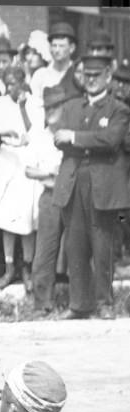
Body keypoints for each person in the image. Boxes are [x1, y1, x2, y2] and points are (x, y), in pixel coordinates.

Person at [52, 56, 130, 320]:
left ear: (108, 76)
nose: (91, 80)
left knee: (102, 245)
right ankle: (79, 304)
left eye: (97, 75)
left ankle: (104, 302)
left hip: (103, 185)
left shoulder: (118, 109)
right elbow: (58, 138)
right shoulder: (72, 107)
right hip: (73, 181)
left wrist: (75, 137)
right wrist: (85, 140)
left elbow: (110, 140)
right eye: (87, 75)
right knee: (75, 245)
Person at [0, 66, 43, 291]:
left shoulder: (34, 103)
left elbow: (34, 132)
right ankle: (9, 268)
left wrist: (22, 106)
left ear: (22, 82)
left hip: (27, 161)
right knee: (6, 218)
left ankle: (27, 267)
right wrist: (1, 134)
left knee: (27, 219)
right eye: (7, 84)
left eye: (13, 84)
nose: (10, 88)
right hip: (7, 159)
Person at [26, 85, 69, 313]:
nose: (51, 111)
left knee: (78, 246)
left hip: (72, 195)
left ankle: (82, 300)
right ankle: (43, 303)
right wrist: (50, 172)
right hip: (50, 195)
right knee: (45, 249)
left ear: (64, 108)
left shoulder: (71, 134)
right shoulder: (39, 137)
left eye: (55, 107)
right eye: (47, 108)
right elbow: (29, 170)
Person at [30, 23, 80, 107]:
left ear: (72, 48)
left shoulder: (78, 73)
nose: (57, 50)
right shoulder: (40, 75)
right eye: (54, 45)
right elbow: (34, 105)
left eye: (61, 46)